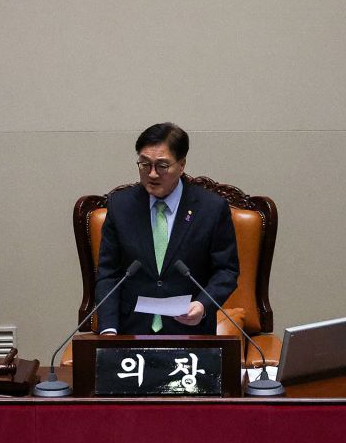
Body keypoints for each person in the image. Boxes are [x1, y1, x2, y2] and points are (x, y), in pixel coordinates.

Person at [95, 123, 239, 335]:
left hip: (191, 331)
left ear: (181, 165)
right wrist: (108, 330)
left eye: (162, 166)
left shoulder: (211, 208)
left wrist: (203, 305)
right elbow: (109, 273)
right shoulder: (121, 206)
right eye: (144, 164)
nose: (152, 174)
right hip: (130, 331)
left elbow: (226, 270)